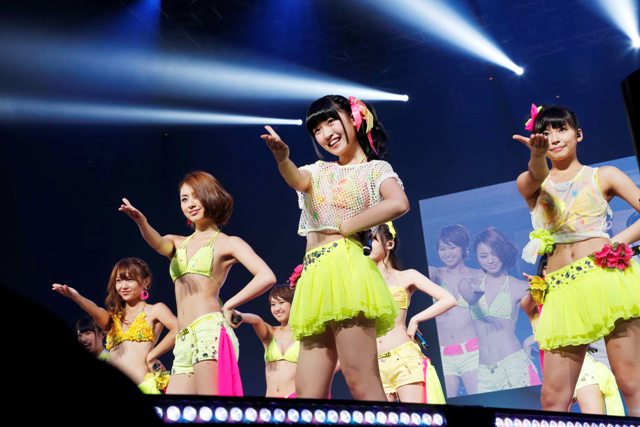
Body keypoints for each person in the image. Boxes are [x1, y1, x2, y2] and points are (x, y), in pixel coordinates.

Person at [260, 94, 409, 400]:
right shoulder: (318, 170)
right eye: (317, 129)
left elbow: (398, 202)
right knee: (307, 393)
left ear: (354, 118)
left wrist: (348, 226)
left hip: (347, 272)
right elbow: (296, 179)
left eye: (331, 121)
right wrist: (282, 159)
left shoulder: (375, 169)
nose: (326, 133)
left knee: (361, 381)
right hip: (314, 278)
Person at [513, 104, 640, 415]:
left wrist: (616, 242)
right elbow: (537, 176)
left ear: (578, 134)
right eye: (545, 133)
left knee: (631, 381)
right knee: (553, 398)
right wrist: (536, 156)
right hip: (561, 290)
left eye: (562, 129)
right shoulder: (530, 182)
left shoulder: (604, 175)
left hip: (606, 279)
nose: (554, 137)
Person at [119, 171, 276, 395]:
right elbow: (157, 242)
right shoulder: (176, 243)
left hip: (209, 331)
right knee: (176, 409)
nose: (190, 204)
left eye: (196, 196)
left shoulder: (228, 243)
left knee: (210, 406)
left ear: (210, 196)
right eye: (184, 199)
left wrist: (230, 304)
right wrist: (142, 222)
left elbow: (266, 276)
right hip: (183, 337)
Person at [52, 257, 178, 394]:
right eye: (119, 281)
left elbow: (179, 328)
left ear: (145, 281)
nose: (123, 286)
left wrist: (151, 355)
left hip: (144, 388)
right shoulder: (113, 318)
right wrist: (76, 297)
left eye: (129, 280)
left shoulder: (155, 310)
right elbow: (95, 310)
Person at [521, 256, 625, 416]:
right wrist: (537, 287)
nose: (552, 272)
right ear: (542, 272)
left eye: (557, 268)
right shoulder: (534, 304)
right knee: (557, 421)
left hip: (581, 366)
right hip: (554, 372)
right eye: (548, 268)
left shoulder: (571, 300)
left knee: (593, 420)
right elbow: (526, 304)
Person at [370, 222, 455, 403]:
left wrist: (415, 319)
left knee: (414, 415)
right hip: (375, 363)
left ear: (389, 244)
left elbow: (448, 299)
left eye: (373, 239)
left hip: (404, 358)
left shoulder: (407, 276)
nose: (367, 244)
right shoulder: (361, 284)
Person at [458, 227, 541, 393]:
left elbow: (549, 315)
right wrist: (473, 299)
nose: (490, 260)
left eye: (494, 254)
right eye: (483, 256)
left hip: (514, 364)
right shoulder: (470, 283)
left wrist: (532, 339)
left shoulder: (519, 286)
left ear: (503, 252)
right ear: (477, 258)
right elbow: (468, 296)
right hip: (483, 371)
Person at [428, 224, 483, 397]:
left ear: (464, 248)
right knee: (447, 403)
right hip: (444, 355)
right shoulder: (435, 275)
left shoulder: (478, 275)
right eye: (442, 249)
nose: (447, 253)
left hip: (472, 352)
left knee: (479, 400)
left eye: (452, 247)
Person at [238, 281, 300, 398]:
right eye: (273, 304)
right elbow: (257, 320)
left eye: (281, 302)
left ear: (293, 303)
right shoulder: (271, 333)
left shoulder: (304, 335)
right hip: (271, 402)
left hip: (296, 402)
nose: (277, 308)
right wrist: (239, 316)